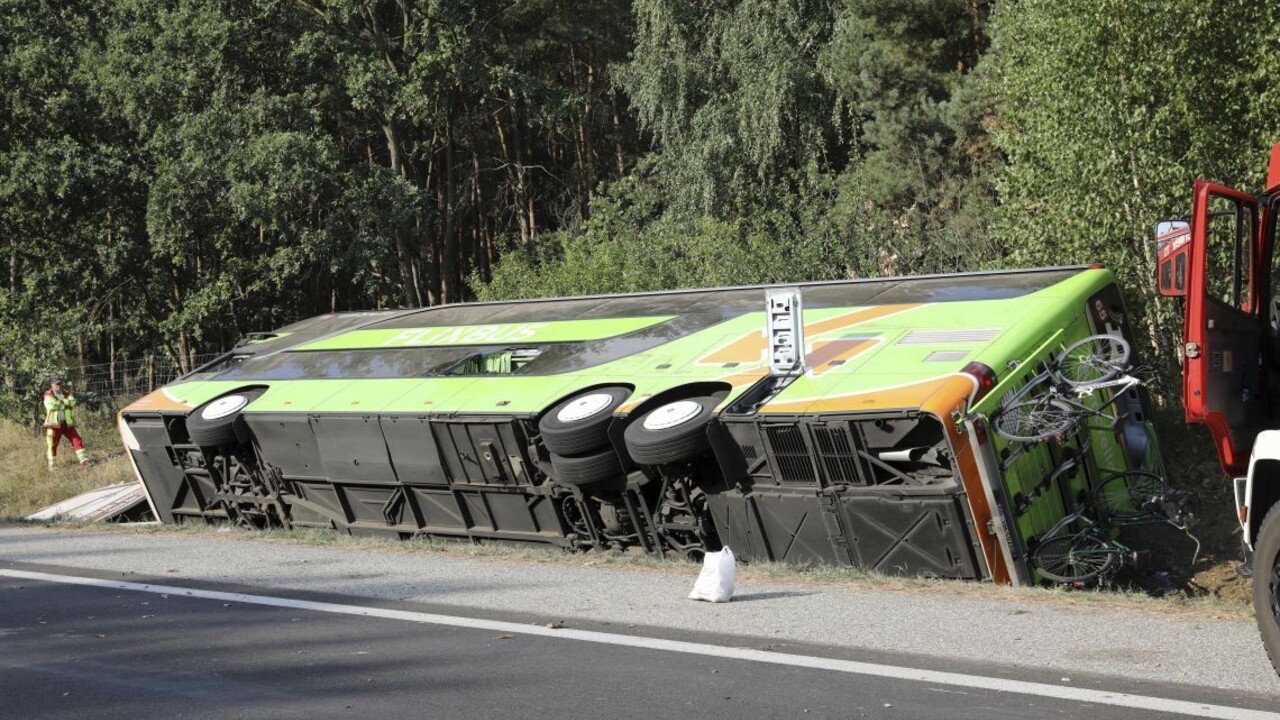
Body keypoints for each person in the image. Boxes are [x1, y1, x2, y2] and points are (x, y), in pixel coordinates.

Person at [43, 378, 89, 468]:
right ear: (52, 385)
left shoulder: (65, 393)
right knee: (52, 444)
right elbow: (52, 405)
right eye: (56, 384)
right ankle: (52, 466)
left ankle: (84, 461)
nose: (59, 386)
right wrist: (65, 403)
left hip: (67, 423)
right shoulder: (48, 394)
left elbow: (72, 402)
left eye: (60, 384)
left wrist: (62, 403)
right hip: (54, 424)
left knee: (77, 439)